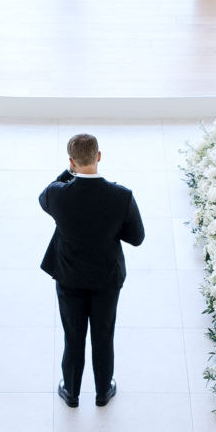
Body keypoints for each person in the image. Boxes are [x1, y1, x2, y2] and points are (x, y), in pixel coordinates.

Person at [38, 134, 145, 408]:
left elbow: (45, 194)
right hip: (106, 278)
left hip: (69, 277)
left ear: (71, 162)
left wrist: (68, 172)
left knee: (73, 335)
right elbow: (137, 238)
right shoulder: (121, 196)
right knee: (103, 333)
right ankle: (102, 391)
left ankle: (71, 391)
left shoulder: (57, 195)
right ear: (99, 156)